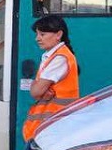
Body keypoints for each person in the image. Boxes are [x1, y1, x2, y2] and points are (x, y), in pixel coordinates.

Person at [22, 14, 80, 143]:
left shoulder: (59, 58)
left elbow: (35, 91)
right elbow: (38, 90)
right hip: (53, 126)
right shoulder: (54, 56)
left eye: (42, 34)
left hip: (53, 127)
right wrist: (39, 88)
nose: (37, 39)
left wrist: (38, 88)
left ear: (58, 34)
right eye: (37, 34)